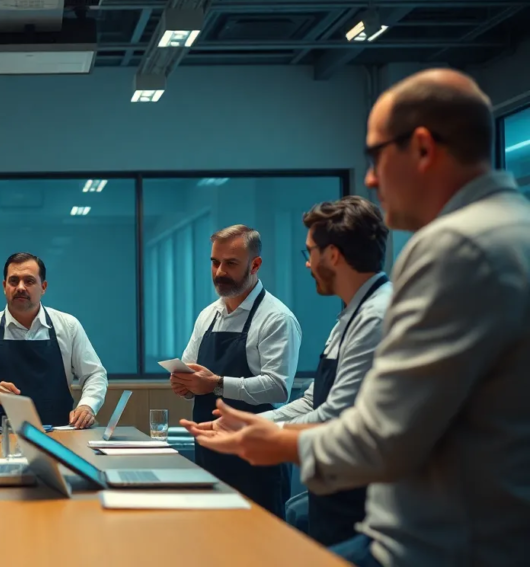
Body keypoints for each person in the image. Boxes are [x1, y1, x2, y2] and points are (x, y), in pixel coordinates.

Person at [184, 69, 530, 567]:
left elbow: (380, 433)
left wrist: (272, 440)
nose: (369, 178)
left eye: (376, 156)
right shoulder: (509, 229)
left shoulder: (455, 246)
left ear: (423, 147)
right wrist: (262, 428)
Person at [197, 198, 391, 545]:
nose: (307, 263)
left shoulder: (376, 317)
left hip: (360, 494)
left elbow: (333, 415)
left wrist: (258, 431)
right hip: (333, 487)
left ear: (333, 255)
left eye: (310, 252)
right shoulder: (349, 317)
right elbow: (313, 401)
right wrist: (248, 423)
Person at [169, 225, 301, 516]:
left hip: (257, 457)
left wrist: (215, 384)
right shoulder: (208, 315)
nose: (219, 272)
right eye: (215, 262)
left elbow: (278, 387)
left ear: (255, 265)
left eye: (230, 263)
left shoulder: (276, 318)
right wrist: (185, 385)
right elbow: (191, 371)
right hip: (209, 453)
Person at [0, 252, 108, 428]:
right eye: (13, 281)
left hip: (60, 433)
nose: (20, 287)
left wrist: (87, 405)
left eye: (29, 281)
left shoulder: (68, 326)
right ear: (4, 286)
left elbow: (94, 374)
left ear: (43, 287)